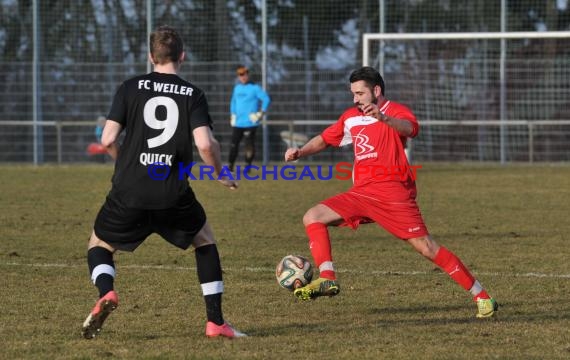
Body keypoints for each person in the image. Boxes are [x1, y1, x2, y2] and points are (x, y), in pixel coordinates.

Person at [284, 66, 498, 318]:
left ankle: (482, 296)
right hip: (361, 193)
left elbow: (411, 129)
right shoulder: (350, 117)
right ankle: (328, 278)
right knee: (313, 216)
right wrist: (300, 152)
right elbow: (324, 138)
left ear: (376, 91)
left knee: (427, 247)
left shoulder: (394, 111)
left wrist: (383, 118)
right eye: (353, 94)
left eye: (360, 93)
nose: (355, 99)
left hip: (393, 193)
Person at [81, 25, 246, 340]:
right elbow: (206, 145)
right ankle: (216, 323)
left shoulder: (129, 87)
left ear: (150, 57)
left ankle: (107, 292)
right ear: (182, 56)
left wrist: (126, 165)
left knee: (100, 244)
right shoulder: (193, 94)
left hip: (129, 190)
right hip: (172, 192)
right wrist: (221, 173)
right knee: (205, 241)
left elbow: (108, 138)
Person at [228, 65, 271, 172]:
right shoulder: (237, 88)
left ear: (248, 75)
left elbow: (266, 99)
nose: (243, 76)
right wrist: (232, 114)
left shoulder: (255, 88)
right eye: (240, 75)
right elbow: (233, 102)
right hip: (238, 123)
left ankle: (247, 166)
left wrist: (260, 113)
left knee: (249, 146)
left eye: (245, 74)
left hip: (250, 123)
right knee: (233, 145)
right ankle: (230, 166)